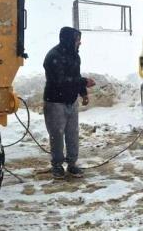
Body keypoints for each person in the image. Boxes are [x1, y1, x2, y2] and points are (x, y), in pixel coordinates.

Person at [43, 27, 95, 179]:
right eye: (77, 39)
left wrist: (83, 93)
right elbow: (61, 81)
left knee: (73, 134)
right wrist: (84, 82)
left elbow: (75, 76)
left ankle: (72, 164)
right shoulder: (53, 56)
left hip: (71, 101)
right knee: (57, 135)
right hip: (55, 102)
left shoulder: (75, 56)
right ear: (69, 40)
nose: (80, 42)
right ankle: (57, 165)